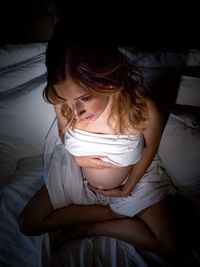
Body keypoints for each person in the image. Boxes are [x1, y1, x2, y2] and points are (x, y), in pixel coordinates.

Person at [18, 19, 179, 260]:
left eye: (84, 97)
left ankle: (92, 226)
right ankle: (110, 213)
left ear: (108, 80)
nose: (75, 112)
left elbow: (151, 146)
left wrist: (130, 186)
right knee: (27, 224)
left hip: (131, 182)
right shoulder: (63, 103)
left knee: (170, 245)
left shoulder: (142, 110)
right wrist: (82, 160)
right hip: (77, 177)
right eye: (66, 99)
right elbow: (64, 135)